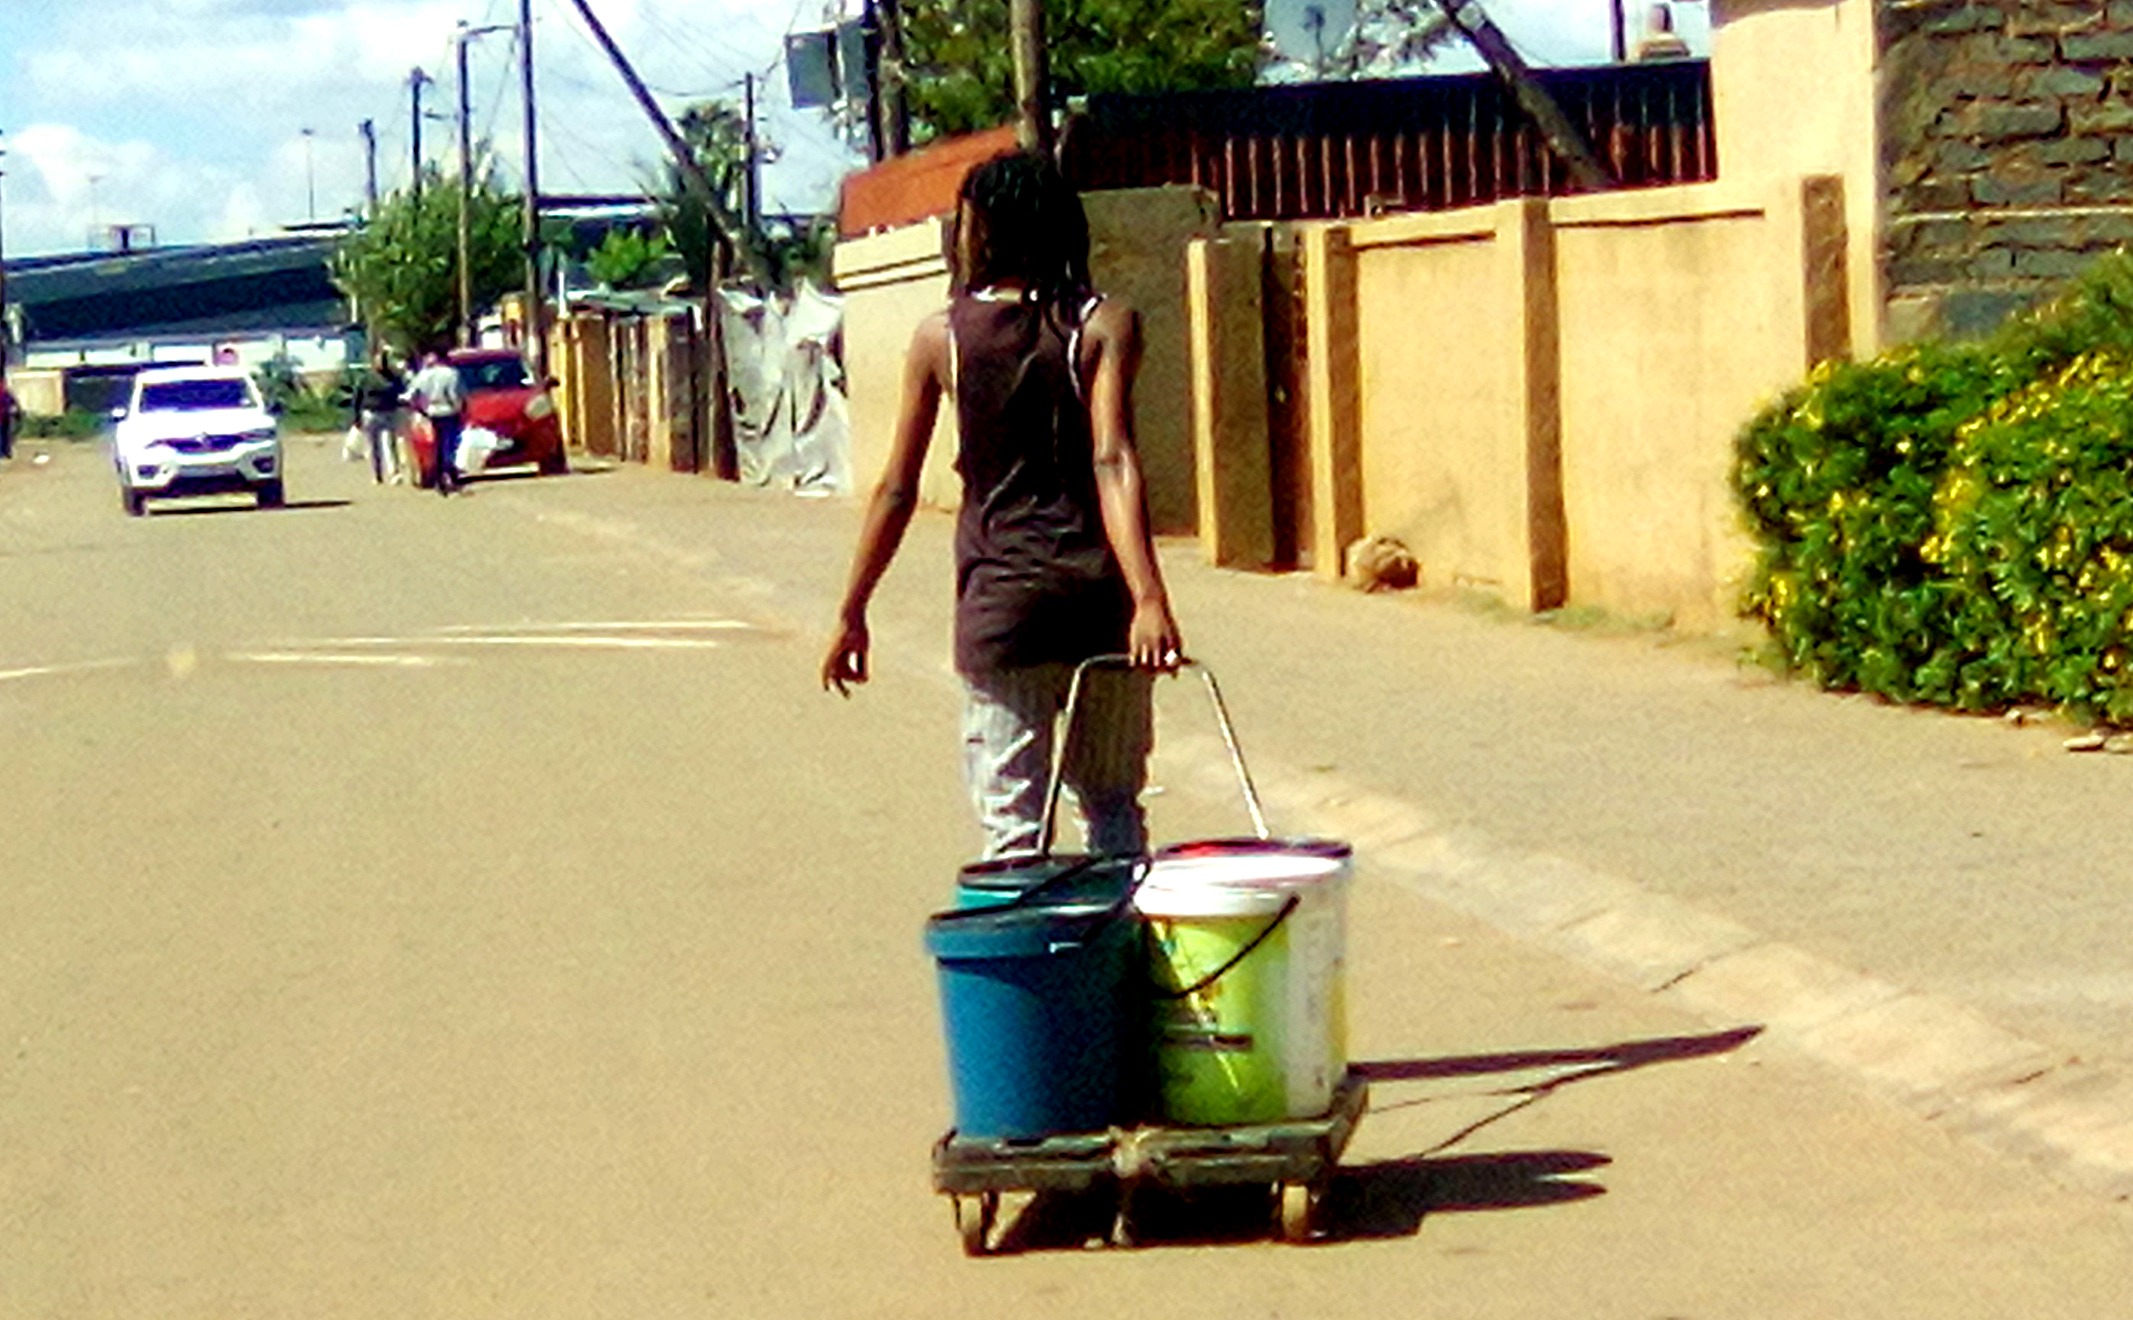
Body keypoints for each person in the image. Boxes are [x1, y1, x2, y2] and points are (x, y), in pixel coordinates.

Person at [821, 150, 1184, 860]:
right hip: (1098, 606)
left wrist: (851, 609)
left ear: (976, 230)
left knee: (1013, 828)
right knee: (1111, 805)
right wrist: (1148, 598)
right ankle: (1114, 958)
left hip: (1001, 611)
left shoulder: (941, 338)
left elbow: (896, 487)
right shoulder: (1106, 324)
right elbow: (1111, 459)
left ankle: (1034, 970)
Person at [406, 347, 466, 495]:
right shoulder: (451, 374)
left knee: (436, 446)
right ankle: (449, 472)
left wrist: (419, 409)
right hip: (449, 411)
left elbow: (412, 395)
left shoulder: (422, 376)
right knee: (450, 443)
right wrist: (460, 408)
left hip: (430, 413)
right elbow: (456, 394)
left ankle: (439, 476)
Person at [354, 350, 406, 484]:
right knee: (373, 446)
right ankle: (377, 474)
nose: (381, 364)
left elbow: (402, 392)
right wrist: (356, 418)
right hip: (370, 413)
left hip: (389, 413)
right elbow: (357, 398)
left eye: (383, 361)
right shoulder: (366, 378)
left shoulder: (394, 377)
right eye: (379, 361)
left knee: (390, 444)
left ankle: (394, 472)